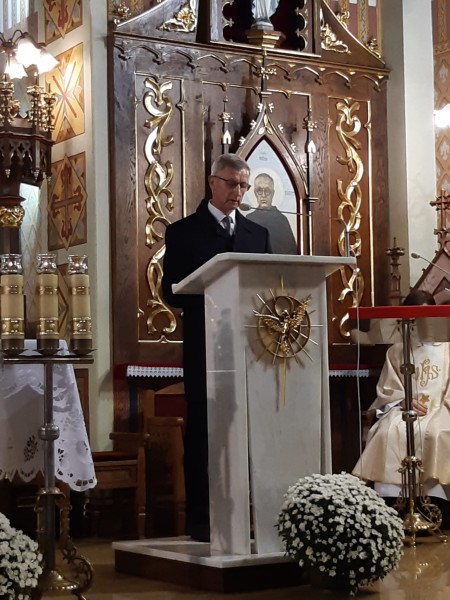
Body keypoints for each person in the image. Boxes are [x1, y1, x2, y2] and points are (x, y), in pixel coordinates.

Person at [162, 154, 272, 542]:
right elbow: (170, 291)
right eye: (231, 183)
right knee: (204, 432)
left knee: (246, 429)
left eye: (243, 185)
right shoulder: (183, 232)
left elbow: (266, 288)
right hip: (204, 346)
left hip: (248, 348)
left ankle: (249, 510)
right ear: (212, 183)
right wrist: (213, 294)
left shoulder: (257, 234)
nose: (237, 192)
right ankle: (202, 518)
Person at [353, 290, 450, 518]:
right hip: (404, 409)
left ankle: (437, 505)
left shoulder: (448, 349)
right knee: (386, 431)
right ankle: (391, 505)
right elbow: (388, 389)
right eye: (416, 317)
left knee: (436, 433)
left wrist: (442, 406)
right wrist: (402, 400)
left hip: (441, 408)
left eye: (427, 316)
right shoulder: (397, 350)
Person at [246, 172, 297, 254]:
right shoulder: (249, 219)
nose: (263, 195)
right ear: (255, 193)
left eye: (267, 191)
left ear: (273, 193)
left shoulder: (281, 220)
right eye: (259, 191)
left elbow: (290, 252)